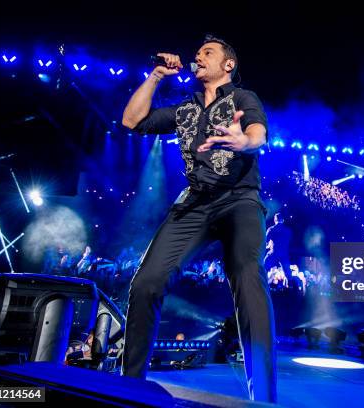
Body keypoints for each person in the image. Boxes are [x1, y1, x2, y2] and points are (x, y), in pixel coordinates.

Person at [119, 35, 276, 402]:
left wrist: (244, 141)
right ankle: (130, 388)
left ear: (228, 65)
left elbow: (257, 133)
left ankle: (264, 398)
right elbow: (131, 120)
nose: (198, 57)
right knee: (146, 284)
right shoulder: (185, 109)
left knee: (248, 277)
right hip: (194, 204)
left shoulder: (242, 98)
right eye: (197, 53)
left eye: (208, 52)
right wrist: (157, 75)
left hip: (239, 199)